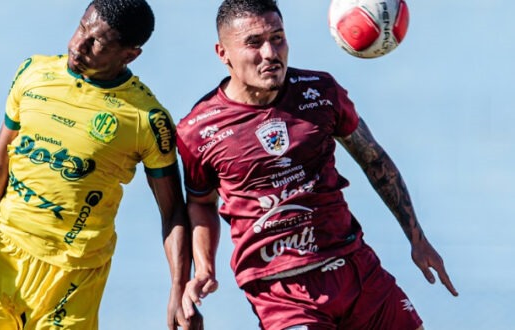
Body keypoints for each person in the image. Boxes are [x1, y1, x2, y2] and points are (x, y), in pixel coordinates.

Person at [0, 1, 202, 329]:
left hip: (73, 279)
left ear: (129, 55)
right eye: (81, 28)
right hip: (0, 254)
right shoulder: (33, 74)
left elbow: (173, 212)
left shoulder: (146, 119)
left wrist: (179, 287)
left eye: (97, 43)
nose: (78, 44)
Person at [176, 0, 458, 329]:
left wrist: (416, 238)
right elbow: (200, 202)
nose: (270, 53)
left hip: (354, 268)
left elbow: (373, 159)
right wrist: (204, 270)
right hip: (282, 292)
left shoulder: (320, 92)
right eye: (254, 43)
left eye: (278, 38)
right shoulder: (198, 130)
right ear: (222, 53)